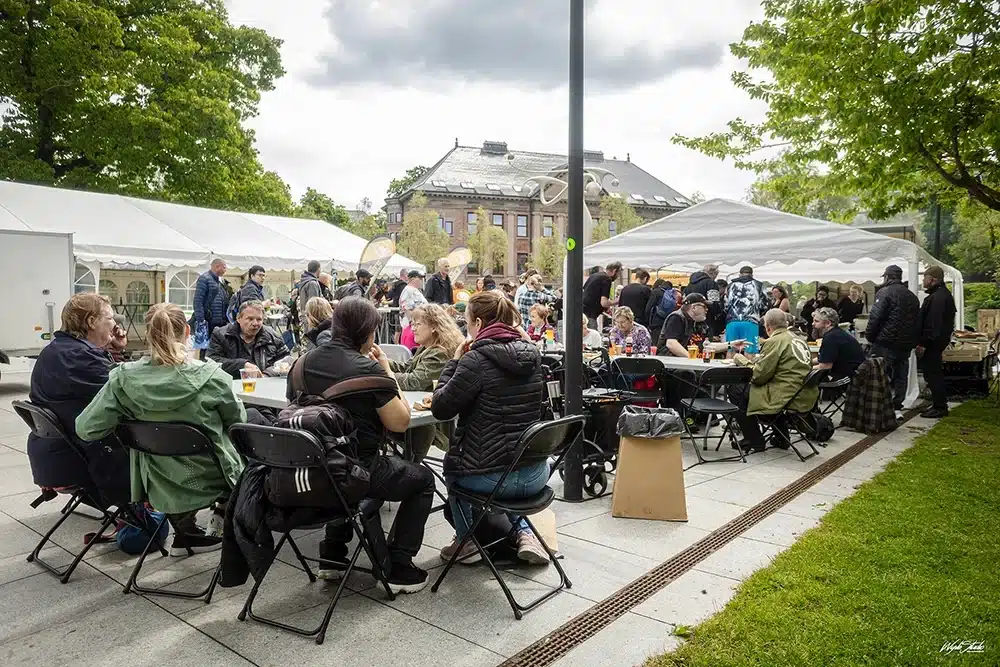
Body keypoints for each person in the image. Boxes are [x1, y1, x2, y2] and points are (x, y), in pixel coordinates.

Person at [76, 303, 248, 554]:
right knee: (243, 443)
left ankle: (186, 530)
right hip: (211, 478)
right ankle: (221, 517)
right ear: (187, 331)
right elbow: (237, 423)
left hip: (157, 481)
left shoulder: (122, 380)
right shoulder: (212, 377)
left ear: (148, 333)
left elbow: (86, 428)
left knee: (175, 457)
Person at [292, 297, 434, 593]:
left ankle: (332, 556)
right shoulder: (368, 369)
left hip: (309, 472)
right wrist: (386, 370)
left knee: (336, 458)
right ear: (368, 332)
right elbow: (401, 421)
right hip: (357, 473)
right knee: (421, 479)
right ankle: (399, 565)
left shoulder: (301, 364)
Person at [431, 291, 550, 565]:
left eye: (467, 322)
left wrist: (454, 362)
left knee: (453, 469)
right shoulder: (533, 355)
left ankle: (466, 542)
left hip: (495, 480)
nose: (466, 329)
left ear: (478, 323)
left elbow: (441, 408)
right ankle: (525, 534)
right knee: (508, 458)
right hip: (537, 475)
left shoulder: (475, 360)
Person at [26, 294, 130, 509]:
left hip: (55, 456)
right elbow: (128, 391)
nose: (115, 325)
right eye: (110, 318)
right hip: (83, 461)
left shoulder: (57, 350)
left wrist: (113, 349)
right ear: (92, 321)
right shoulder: (81, 357)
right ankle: (148, 507)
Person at [374, 303, 464, 462]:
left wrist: (386, 374)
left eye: (418, 324)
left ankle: (409, 466)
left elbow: (414, 381)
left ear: (434, 327)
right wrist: (380, 360)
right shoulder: (427, 348)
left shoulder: (440, 353)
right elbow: (406, 367)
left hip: (432, 423)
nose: (413, 328)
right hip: (420, 414)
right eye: (412, 324)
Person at [730, 309, 819, 452]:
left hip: (784, 395)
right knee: (764, 392)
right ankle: (781, 438)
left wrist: (740, 359)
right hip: (802, 394)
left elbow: (758, 376)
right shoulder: (798, 339)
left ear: (767, 326)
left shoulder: (775, 341)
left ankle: (753, 439)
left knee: (736, 389)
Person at [866, 264, 920, 417]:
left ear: (887, 277)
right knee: (901, 376)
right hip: (905, 343)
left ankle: (880, 407)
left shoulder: (884, 292)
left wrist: (870, 337)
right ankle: (897, 407)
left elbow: (875, 317)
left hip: (885, 342)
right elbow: (917, 321)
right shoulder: (912, 296)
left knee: (878, 375)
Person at [207, 301, 290, 379]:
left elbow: (286, 361)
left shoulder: (273, 337)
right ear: (238, 318)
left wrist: (266, 375)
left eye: (259, 319)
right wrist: (242, 365)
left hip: (266, 385)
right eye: (250, 319)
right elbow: (211, 361)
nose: (255, 323)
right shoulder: (221, 335)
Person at [916, 266, 957, 418]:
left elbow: (933, 323)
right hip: (936, 341)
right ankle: (937, 404)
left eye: (925, 277)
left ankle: (940, 407)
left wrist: (924, 343)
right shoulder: (940, 294)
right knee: (932, 373)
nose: (923, 280)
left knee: (933, 374)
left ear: (932, 279)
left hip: (933, 343)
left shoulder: (938, 297)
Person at [813, 307, 864, 382]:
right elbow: (823, 358)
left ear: (828, 323)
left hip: (849, 378)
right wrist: (806, 362)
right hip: (853, 374)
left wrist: (805, 369)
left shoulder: (831, 337)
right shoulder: (836, 333)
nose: (813, 324)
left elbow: (825, 366)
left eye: (816, 321)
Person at [724, 266, 769, 353]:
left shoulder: (730, 286)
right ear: (752, 274)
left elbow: (726, 305)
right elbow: (765, 305)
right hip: (751, 322)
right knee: (750, 351)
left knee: (730, 350)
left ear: (740, 274)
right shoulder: (759, 285)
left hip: (732, 321)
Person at [192, 258, 229, 356]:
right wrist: (201, 320)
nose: (225, 270)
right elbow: (198, 301)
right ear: (217, 266)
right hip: (208, 321)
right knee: (204, 348)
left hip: (218, 321)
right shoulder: (204, 278)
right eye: (224, 268)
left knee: (216, 347)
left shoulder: (218, 281)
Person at [685, 264, 723, 335]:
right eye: (716, 275)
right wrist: (718, 313)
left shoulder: (690, 284)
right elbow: (714, 303)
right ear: (712, 273)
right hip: (706, 319)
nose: (715, 278)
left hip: (691, 318)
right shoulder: (711, 283)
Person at [582, 261, 623, 328]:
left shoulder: (594, 275)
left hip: (582, 313)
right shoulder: (607, 279)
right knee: (592, 334)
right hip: (590, 316)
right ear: (614, 271)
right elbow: (604, 303)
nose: (618, 277)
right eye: (618, 273)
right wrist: (618, 300)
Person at [399, 270, 428, 349]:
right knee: (412, 351)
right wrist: (415, 324)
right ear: (412, 279)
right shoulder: (408, 290)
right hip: (411, 328)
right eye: (419, 278)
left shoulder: (414, 290)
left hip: (416, 327)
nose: (421, 280)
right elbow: (408, 309)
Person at [296, 260, 324, 330]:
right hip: (312, 320)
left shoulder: (304, 281)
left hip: (306, 318)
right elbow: (314, 305)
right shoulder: (312, 283)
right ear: (318, 269)